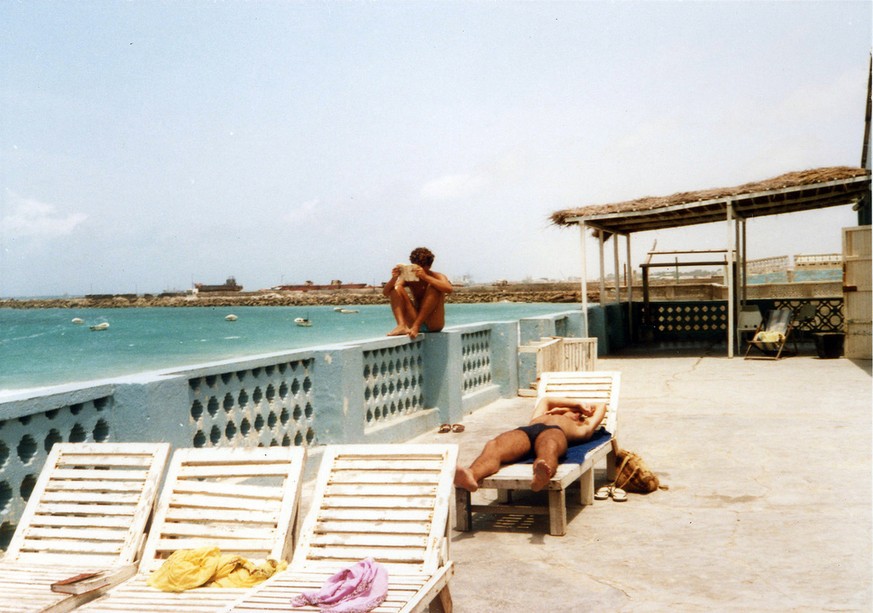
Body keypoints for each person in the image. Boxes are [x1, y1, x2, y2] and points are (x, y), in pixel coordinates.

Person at [454, 396, 607, 493]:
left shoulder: (582, 428)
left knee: (549, 446)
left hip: (554, 432)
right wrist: (574, 404)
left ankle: (541, 475)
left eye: (576, 411)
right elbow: (546, 400)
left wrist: (580, 409)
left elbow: (601, 405)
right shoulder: (542, 415)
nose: (572, 411)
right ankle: (471, 475)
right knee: (494, 445)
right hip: (527, 432)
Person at [383, 247, 453, 339]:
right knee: (396, 288)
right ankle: (401, 325)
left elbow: (448, 289)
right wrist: (394, 278)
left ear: (429, 266)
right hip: (414, 320)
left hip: (433, 324)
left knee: (434, 287)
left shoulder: (437, 276)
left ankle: (417, 325)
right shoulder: (410, 278)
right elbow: (386, 292)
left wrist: (425, 277)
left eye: (421, 266)